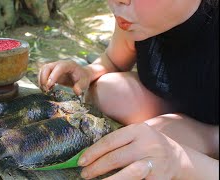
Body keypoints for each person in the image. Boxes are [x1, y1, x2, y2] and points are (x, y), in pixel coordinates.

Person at [38, 0, 219, 179]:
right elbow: (113, 61)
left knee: (160, 141)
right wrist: (86, 72)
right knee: (107, 91)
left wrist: (179, 162)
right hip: (180, 103)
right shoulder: (135, 21)